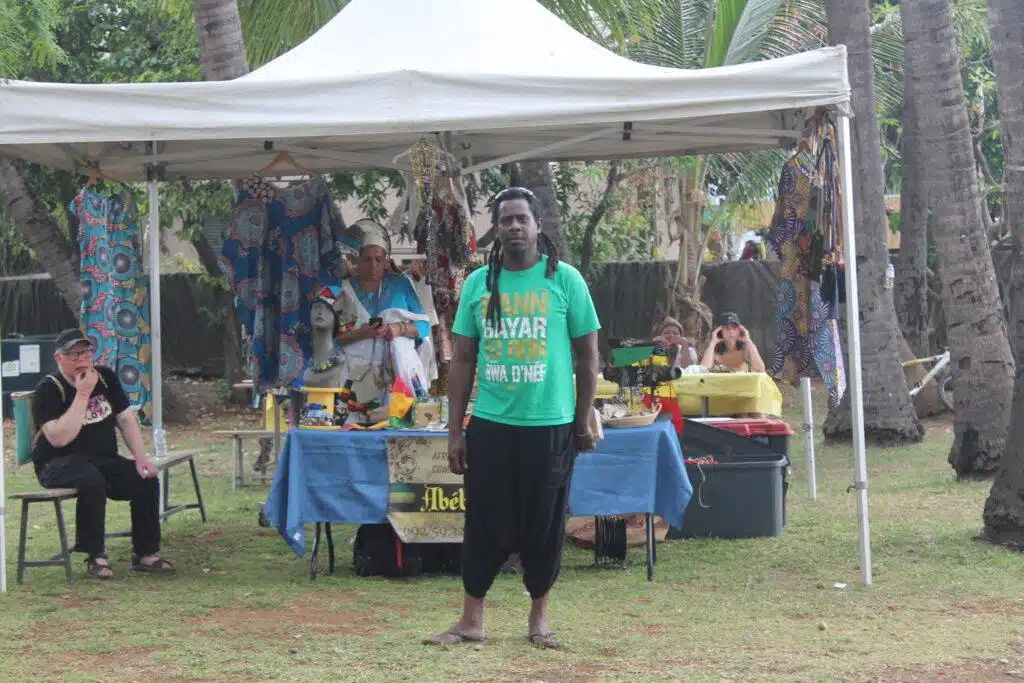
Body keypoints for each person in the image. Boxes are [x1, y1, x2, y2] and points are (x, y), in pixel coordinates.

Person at [424, 187, 601, 650]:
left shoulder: (565, 280)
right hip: (491, 425)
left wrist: (582, 420)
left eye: (522, 218)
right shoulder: (478, 283)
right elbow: (462, 359)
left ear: (538, 225)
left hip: (550, 425)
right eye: (506, 220)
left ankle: (539, 621)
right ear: (497, 230)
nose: (515, 226)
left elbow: (588, 355)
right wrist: (455, 431)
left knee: (545, 524)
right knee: (483, 521)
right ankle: (471, 621)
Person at [30, 328, 172, 580]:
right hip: (57, 464)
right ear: (59, 358)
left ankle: (145, 553)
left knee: (145, 479)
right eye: (74, 355)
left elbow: (126, 419)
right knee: (90, 480)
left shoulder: (105, 378)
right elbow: (59, 438)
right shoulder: (49, 389)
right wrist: (83, 393)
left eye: (86, 353)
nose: (82, 360)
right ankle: (96, 555)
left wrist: (141, 458)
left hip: (103, 460)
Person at [334, 219, 432, 409]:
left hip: (399, 374)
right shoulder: (345, 291)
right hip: (357, 377)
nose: (373, 266)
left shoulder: (401, 285)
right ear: (356, 261)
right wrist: (362, 333)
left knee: (399, 421)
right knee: (358, 421)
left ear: (386, 261)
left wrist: (399, 328)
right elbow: (336, 338)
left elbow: (424, 326)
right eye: (367, 260)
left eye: (378, 260)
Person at [701, 311, 766, 372]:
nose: (731, 332)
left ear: (739, 330)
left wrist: (748, 341)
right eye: (727, 328)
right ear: (720, 331)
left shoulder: (745, 349)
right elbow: (703, 370)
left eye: (734, 328)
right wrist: (713, 342)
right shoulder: (714, 350)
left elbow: (760, 369)